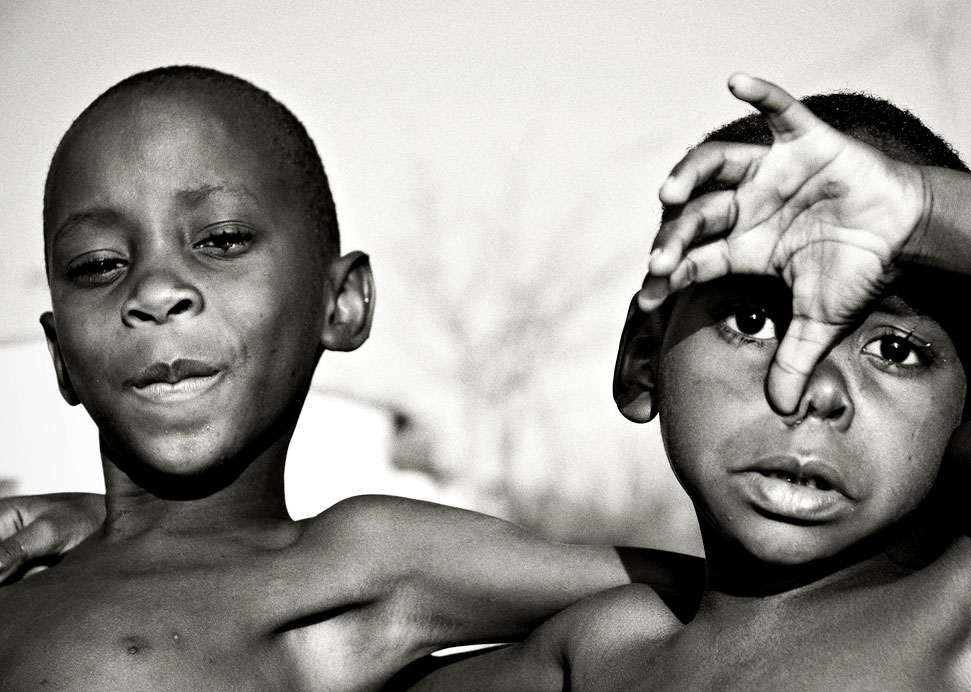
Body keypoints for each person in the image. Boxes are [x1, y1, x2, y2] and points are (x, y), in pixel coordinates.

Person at [0, 65, 701, 692]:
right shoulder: (26, 571)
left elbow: (720, 598)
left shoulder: (348, 566)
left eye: (220, 241)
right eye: (97, 265)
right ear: (61, 353)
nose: (155, 291)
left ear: (340, 303)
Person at [395, 74, 971, 691]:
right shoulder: (603, 652)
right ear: (644, 357)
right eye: (754, 320)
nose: (814, 388)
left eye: (894, 351)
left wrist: (923, 211)